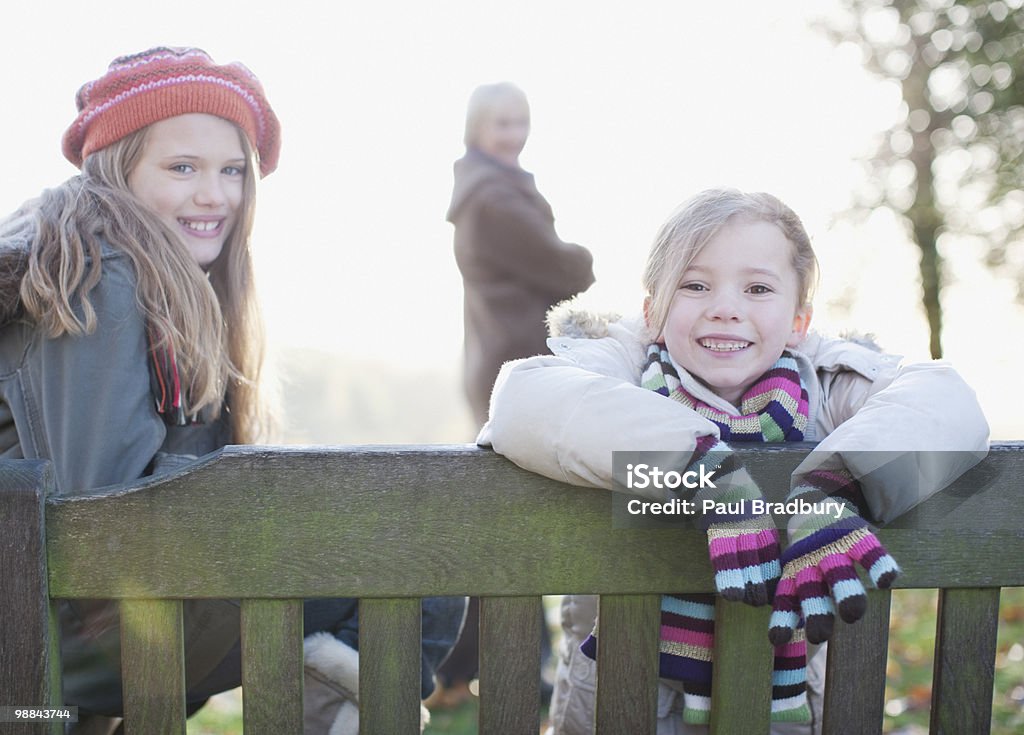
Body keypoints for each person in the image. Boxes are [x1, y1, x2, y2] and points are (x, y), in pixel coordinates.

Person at [0, 47, 462, 734]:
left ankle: (327, 688)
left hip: (80, 620)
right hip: (62, 637)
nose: (214, 194)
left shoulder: (142, 275)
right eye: (182, 167)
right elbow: (108, 508)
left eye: (232, 171)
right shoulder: (100, 272)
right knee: (422, 555)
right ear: (118, 166)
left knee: (401, 548)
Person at [478, 188, 990, 734]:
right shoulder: (618, 366)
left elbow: (948, 402)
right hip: (628, 704)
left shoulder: (828, 386)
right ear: (652, 312)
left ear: (799, 320)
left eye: (757, 288)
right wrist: (704, 472)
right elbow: (522, 401)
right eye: (695, 285)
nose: (725, 307)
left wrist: (840, 485)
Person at [448, 81, 596, 429]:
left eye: (521, 123)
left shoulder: (485, 188)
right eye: (502, 124)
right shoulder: (494, 199)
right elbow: (562, 269)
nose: (514, 135)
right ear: (476, 128)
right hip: (514, 364)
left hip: (498, 360)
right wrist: (585, 258)